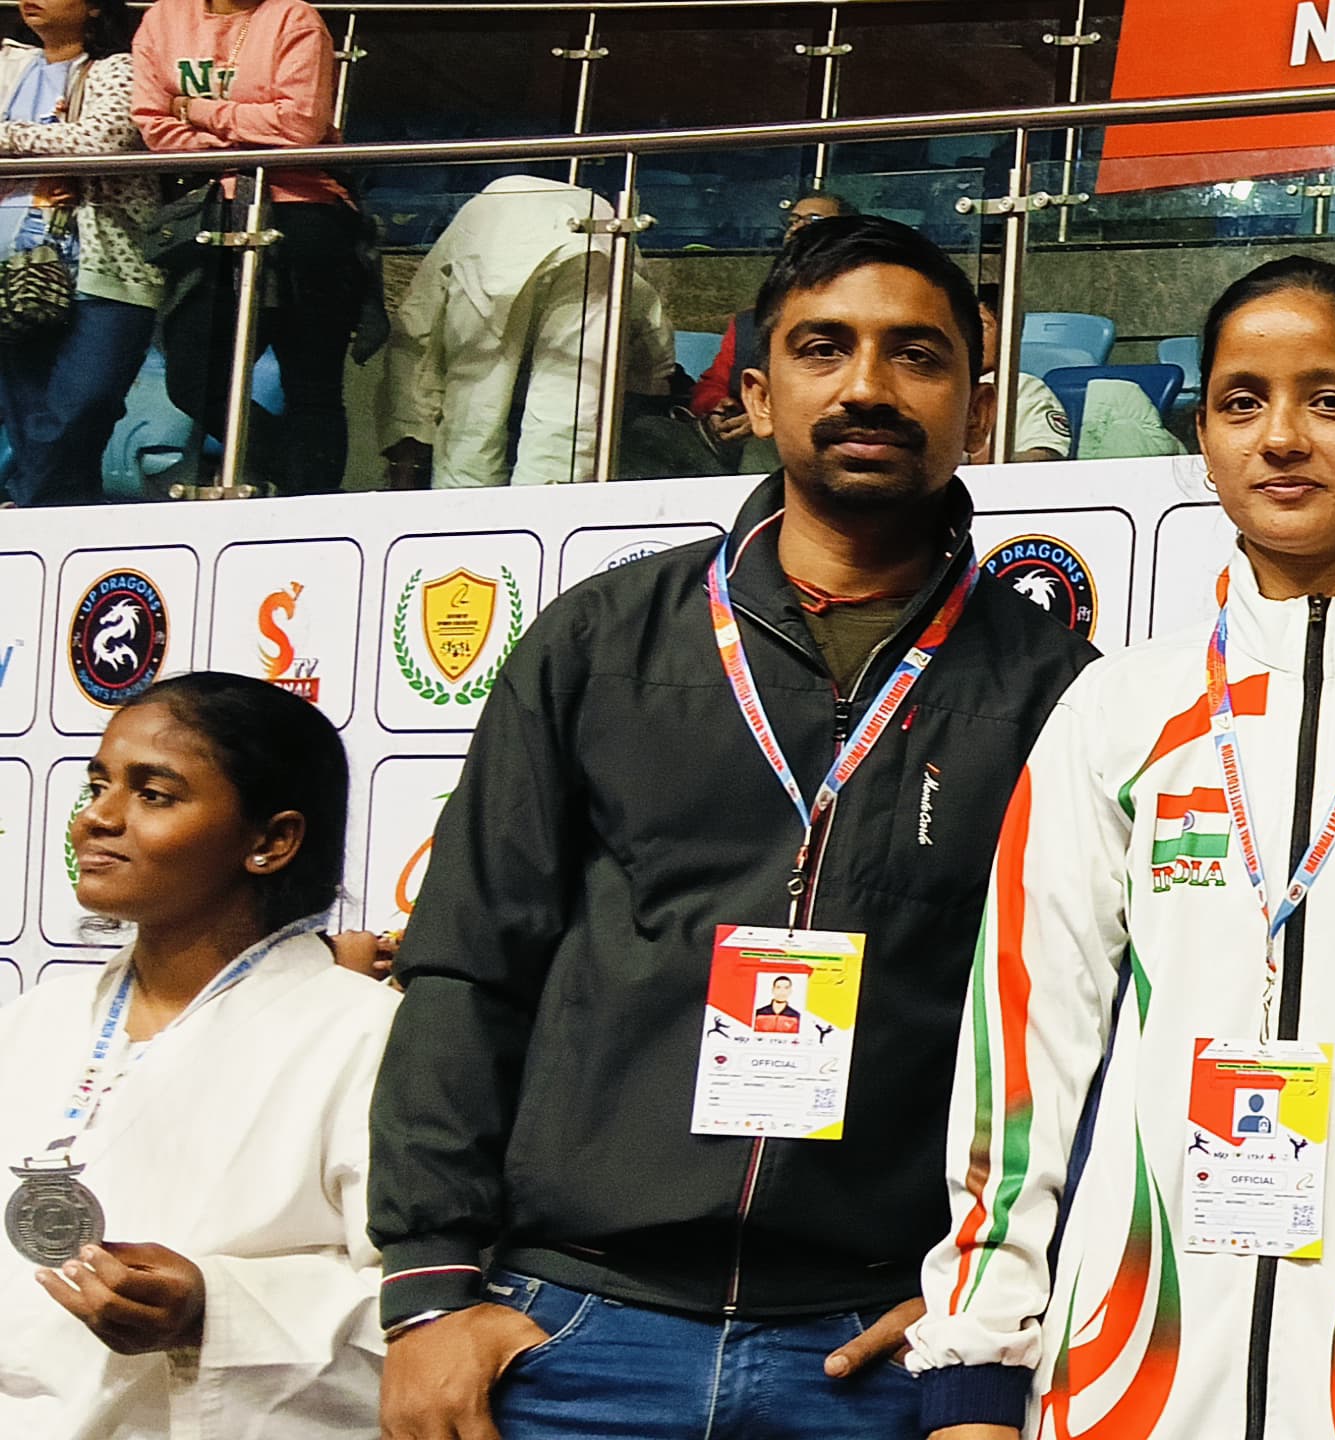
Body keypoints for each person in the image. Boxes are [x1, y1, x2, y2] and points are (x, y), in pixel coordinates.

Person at [368, 215, 1100, 1440]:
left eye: (917, 355)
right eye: (823, 348)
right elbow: (468, 965)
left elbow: (1085, 1042)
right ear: (756, 395)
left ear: (976, 408)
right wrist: (432, 1290)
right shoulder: (601, 642)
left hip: (874, 1352)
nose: (867, 386)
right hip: (577, 1332)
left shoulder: (1057, 692)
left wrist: (982, 1313)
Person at [904, 254, 1335, 1439]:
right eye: (1241, 402)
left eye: (1330, 400)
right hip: (1124, 1372)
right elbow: (1025, 1046)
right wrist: (973, 1362)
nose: (1281, 438)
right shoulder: (1120, 706)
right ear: (1203, 439)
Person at [0, 672, 394, 1438]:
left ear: (271, 842)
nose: (96, 818)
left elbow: (426, 1315)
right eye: (98, 785)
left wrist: (215, 1307)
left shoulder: (365, 1038)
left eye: (153, 794)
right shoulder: (33, 1022)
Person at [131, 0, 370, 499]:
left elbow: (300, 125)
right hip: (210, 211)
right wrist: (246, 140)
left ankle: (312, 508)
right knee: (193, 377)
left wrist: (194, 109)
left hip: (306, 213)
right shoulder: (163, 18)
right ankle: (297, 473)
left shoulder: (295, 17)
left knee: (312, 385)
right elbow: (153, 125)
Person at [380, 174, 678, 488]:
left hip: (498, 228)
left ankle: (465, 508)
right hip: (596, 226)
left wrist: (408, 441)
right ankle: (550, 509)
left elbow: (416, 332)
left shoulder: (472, 218)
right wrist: (653, 379)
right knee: (568, 408)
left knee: (475, 408)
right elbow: (644, 312)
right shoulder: (603, 214)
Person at [0, 0, 156, 509]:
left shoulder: (118, 68)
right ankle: (54, 527)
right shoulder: (10, 64)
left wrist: (10, 140)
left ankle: (29, 511)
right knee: (29, 417)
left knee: (83, 404)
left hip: (103, 264)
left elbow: (100, 139)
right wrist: (46, 153)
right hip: (12, 267)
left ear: (93, 7)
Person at [692, 189, 860, 470]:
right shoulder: (750, 320)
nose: (797, 227)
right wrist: (716, 406)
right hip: (733, 436)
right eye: (793, 220)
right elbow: (713, 381)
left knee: (764, 446)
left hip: (799, 439)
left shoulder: (856, 315)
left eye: (813, 220)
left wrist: (770, 416)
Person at [968, 284, 1068, 465]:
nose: (970, 338)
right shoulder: (934, 384)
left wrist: (993, 459)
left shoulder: (1022, 387)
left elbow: (1047, 455)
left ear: (1009, 335)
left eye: (981, 326)